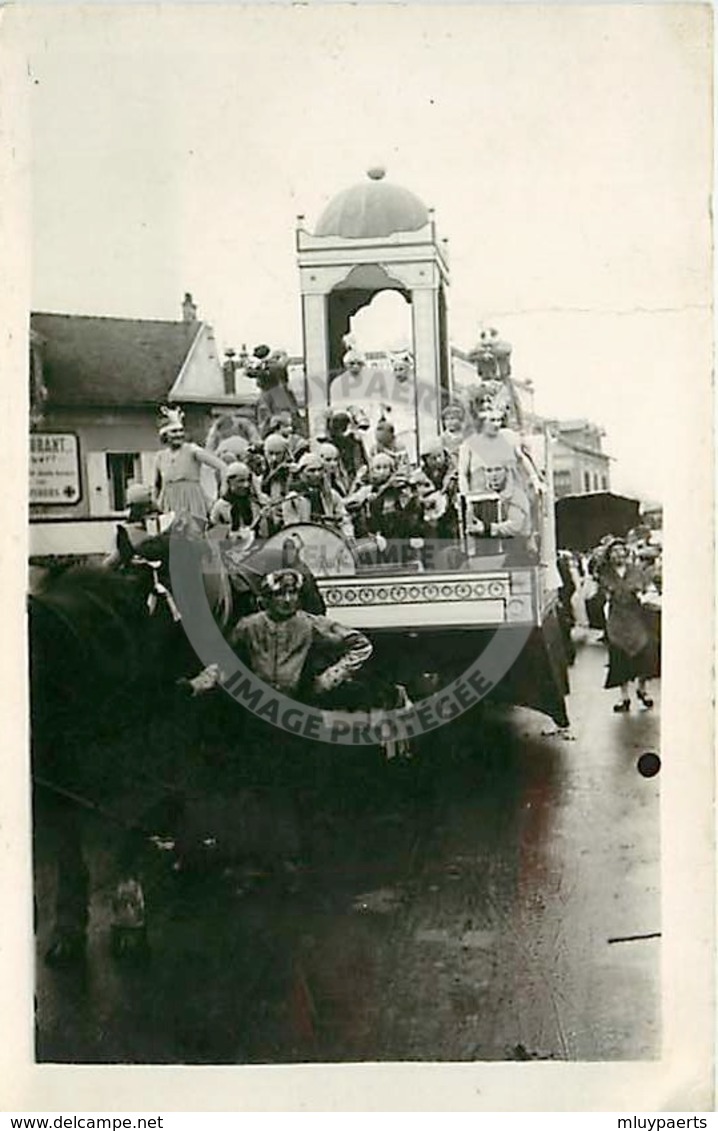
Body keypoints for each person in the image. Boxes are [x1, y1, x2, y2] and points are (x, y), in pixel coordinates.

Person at [599, 539, 658, 712]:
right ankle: (623, 697)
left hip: (636, 618)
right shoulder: (605, 573)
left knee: (644, 652)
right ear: (609, 555)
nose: (618, 554)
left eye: (621, 550)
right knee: (619, 656)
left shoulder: (636, 571)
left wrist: (644, 594)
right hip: (617, 619)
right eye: (614, 551)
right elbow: (601, 593)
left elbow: (647, 589)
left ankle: (642, 690)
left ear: (626, 553)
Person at [282, 452, 354, 541]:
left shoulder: (331, 495)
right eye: (311, 470)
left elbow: (344, 518)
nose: (317, 474)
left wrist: (348, 535)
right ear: (301, 473)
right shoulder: (293, 499)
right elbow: (291, 528)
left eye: (319, 470)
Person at [209, 461, 270, 539]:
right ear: (230, 482)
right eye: (240, 481)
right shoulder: (220, 506)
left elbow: (265, 534)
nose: (246, 485)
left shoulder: (256, 503)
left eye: (247, 480)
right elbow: (212, 533)